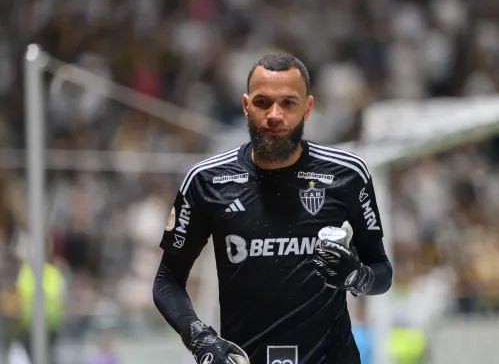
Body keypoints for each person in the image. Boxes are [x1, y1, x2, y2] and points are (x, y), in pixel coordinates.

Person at [153, 53, 393, 364]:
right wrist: (200, 338)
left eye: (288, 103)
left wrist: (356, 277)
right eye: (263, 102)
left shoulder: (347, 175)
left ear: (307, 108)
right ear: (245, 106)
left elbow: (382, 272)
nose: (274, 115)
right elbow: (167, 281)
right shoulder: (206, 180)